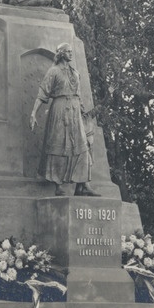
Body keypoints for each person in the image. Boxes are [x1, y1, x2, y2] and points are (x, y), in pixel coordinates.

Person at [30, 43, 99, 196]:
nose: (70, 53)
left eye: (71, 51)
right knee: (58, 144)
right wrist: (34, 113)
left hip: (75, 110)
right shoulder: (53, 71)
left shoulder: (75, 72)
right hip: (60, 109)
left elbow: (79, 95)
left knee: (81, 145)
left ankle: (83, 185)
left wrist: (82, 112)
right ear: (61, 53)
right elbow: (43, 93)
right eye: (67, 51)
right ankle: (58, 185)